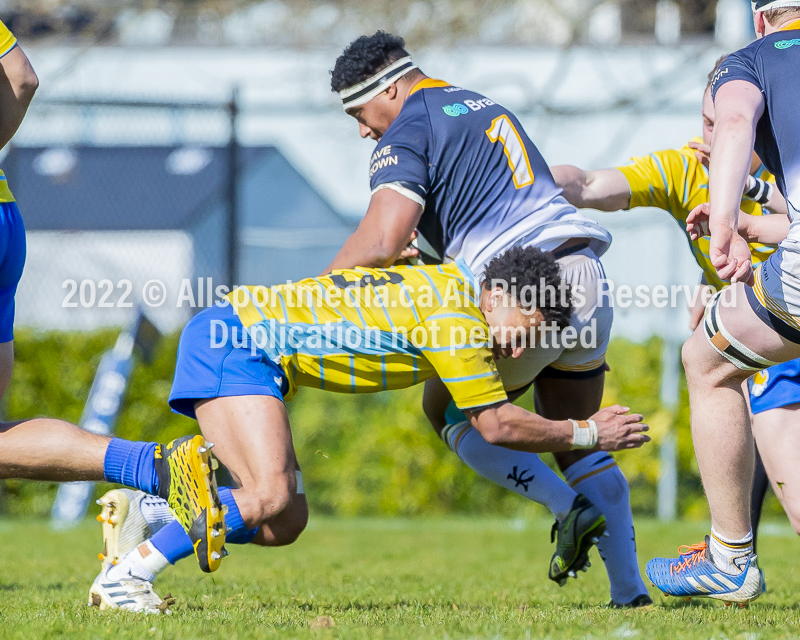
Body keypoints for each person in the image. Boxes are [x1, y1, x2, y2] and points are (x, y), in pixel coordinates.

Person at [88, 249, 651, 612]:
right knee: (270, 493)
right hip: (237, 341)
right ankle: (128, 578)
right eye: (522, 330)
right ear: (497, 296)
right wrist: (586, 432)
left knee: (284, 522)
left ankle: (152, 514)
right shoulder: (458, 322)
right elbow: (497, 425)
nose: (519, 350)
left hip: (239, 342)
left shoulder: (450, 281)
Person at [326, 31, 651, 607]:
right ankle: (630, 595)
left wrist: (310, 297)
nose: (362, 129)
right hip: (586, 277)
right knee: (578, 443)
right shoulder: (479, 103)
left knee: (449, 411)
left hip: (523, 289)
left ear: (391, 88)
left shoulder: (408, 128)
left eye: (359, 111)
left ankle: (567, 509)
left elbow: (379, 238)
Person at [551, 56, 789, 554]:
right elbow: (590, 185)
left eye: (728, 124)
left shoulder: (788, 166)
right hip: (771, 345)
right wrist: (517, 178)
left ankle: (733, 558)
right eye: (708, 122)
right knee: (725, 378)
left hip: (781, 321)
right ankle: (736, 554)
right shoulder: (686, 169)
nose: (715, 135)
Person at [646, 1, 800, 604]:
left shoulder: (751, 60)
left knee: (706, 360)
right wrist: (761, 229)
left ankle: (730, 557)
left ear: (762, 20)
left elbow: (736, 121)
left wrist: (727, 223)